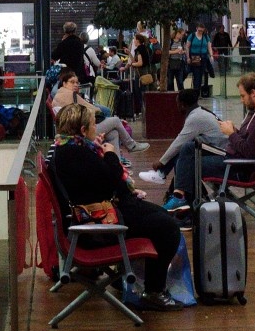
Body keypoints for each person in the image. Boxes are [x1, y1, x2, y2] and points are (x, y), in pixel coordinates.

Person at [47, 102, 183, 312]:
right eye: (94, 125)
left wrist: (99, 151)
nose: (97, 128)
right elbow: (112, 179)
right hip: (101, 225)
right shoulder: (77, 154)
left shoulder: (68, 149)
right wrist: (110, 154)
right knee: (169, 228)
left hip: (99, 213)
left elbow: (100, 180)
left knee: (161, 215)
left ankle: (125, 278)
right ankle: (154, 291)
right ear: (83, 131)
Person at [169, 72, 255, 212]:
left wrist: (231, 133)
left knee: (190, 165)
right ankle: (180, 197)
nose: (241, 100)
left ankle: (184, 204)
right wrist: (235, 131)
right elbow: (247, 141)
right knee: (188, 148)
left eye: (243, 96)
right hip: (231, 157)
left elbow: (249, 151)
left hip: (237, 167)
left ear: (253, 93)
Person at [138, 87, 225, 188]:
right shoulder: (200, 112)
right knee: (184, 150)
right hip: (216, 148)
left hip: (219, 152)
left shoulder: (195, 118)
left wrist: (161, 162)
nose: (177, 107)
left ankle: (174, 186)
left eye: (178, 104)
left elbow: (178, 142)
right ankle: (165, 178)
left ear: (183, 105)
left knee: (181, 156)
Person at [50, 69, 143, 152]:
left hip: (73, 131)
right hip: (82, 132)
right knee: (115, 120)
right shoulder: (70, 95)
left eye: (77, 82)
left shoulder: (59, 95)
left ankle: (117, 164)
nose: (75, 85)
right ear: (64, 83)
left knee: (113, 133)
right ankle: (131, 145)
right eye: (72, 82)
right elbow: (91, 109)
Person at [187, 24, 211, 95]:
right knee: (196, 75)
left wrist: (211, 55)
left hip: (203, 58)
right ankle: (196, 92)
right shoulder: (192, 35)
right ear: (196, 28)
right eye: (199, 30)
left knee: (200, 76)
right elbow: (187, 46)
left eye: (202, 30)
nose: (200, 31)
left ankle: (197, 92)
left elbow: (209, 46)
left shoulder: (206, 36)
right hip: (194, 58)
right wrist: (188, 57)